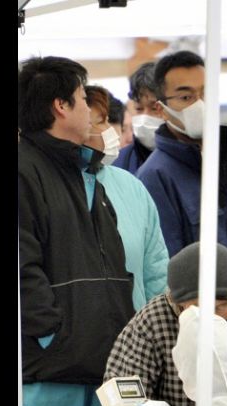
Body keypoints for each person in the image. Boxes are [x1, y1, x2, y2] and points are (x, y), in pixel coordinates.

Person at [18, 56, 135, 406]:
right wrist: (52, 333)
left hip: (109, 368)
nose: (91, 110)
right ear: (60, 106)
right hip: (52, 372)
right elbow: (21, 267)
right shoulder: (24, 169)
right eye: (84, 98)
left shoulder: (89, 172)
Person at [136, 50, 227, 344]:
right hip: (200, 333)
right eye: (186, 97)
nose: (199, 103)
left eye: (204, 93)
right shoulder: (155, 176)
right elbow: (165, 266)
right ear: (162, 108)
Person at [105, 242, 227, 406]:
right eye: (200, 307)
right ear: (179, 302)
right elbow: (126, 401)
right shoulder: (151, 323)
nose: (211, 316)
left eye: (221, 307)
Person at [84, 85, 169, 310]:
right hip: (80, 334)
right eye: (99, 123)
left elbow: (156, 267)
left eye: (111, 123)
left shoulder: (132, 185)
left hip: (136, 329)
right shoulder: (53, 184)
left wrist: (155, 326)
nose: (110, 132)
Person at [113, 62, 163, 174]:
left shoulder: (196, 157)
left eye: (154, 108)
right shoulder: (120, 164)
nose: (145, 117)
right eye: (139, 109)